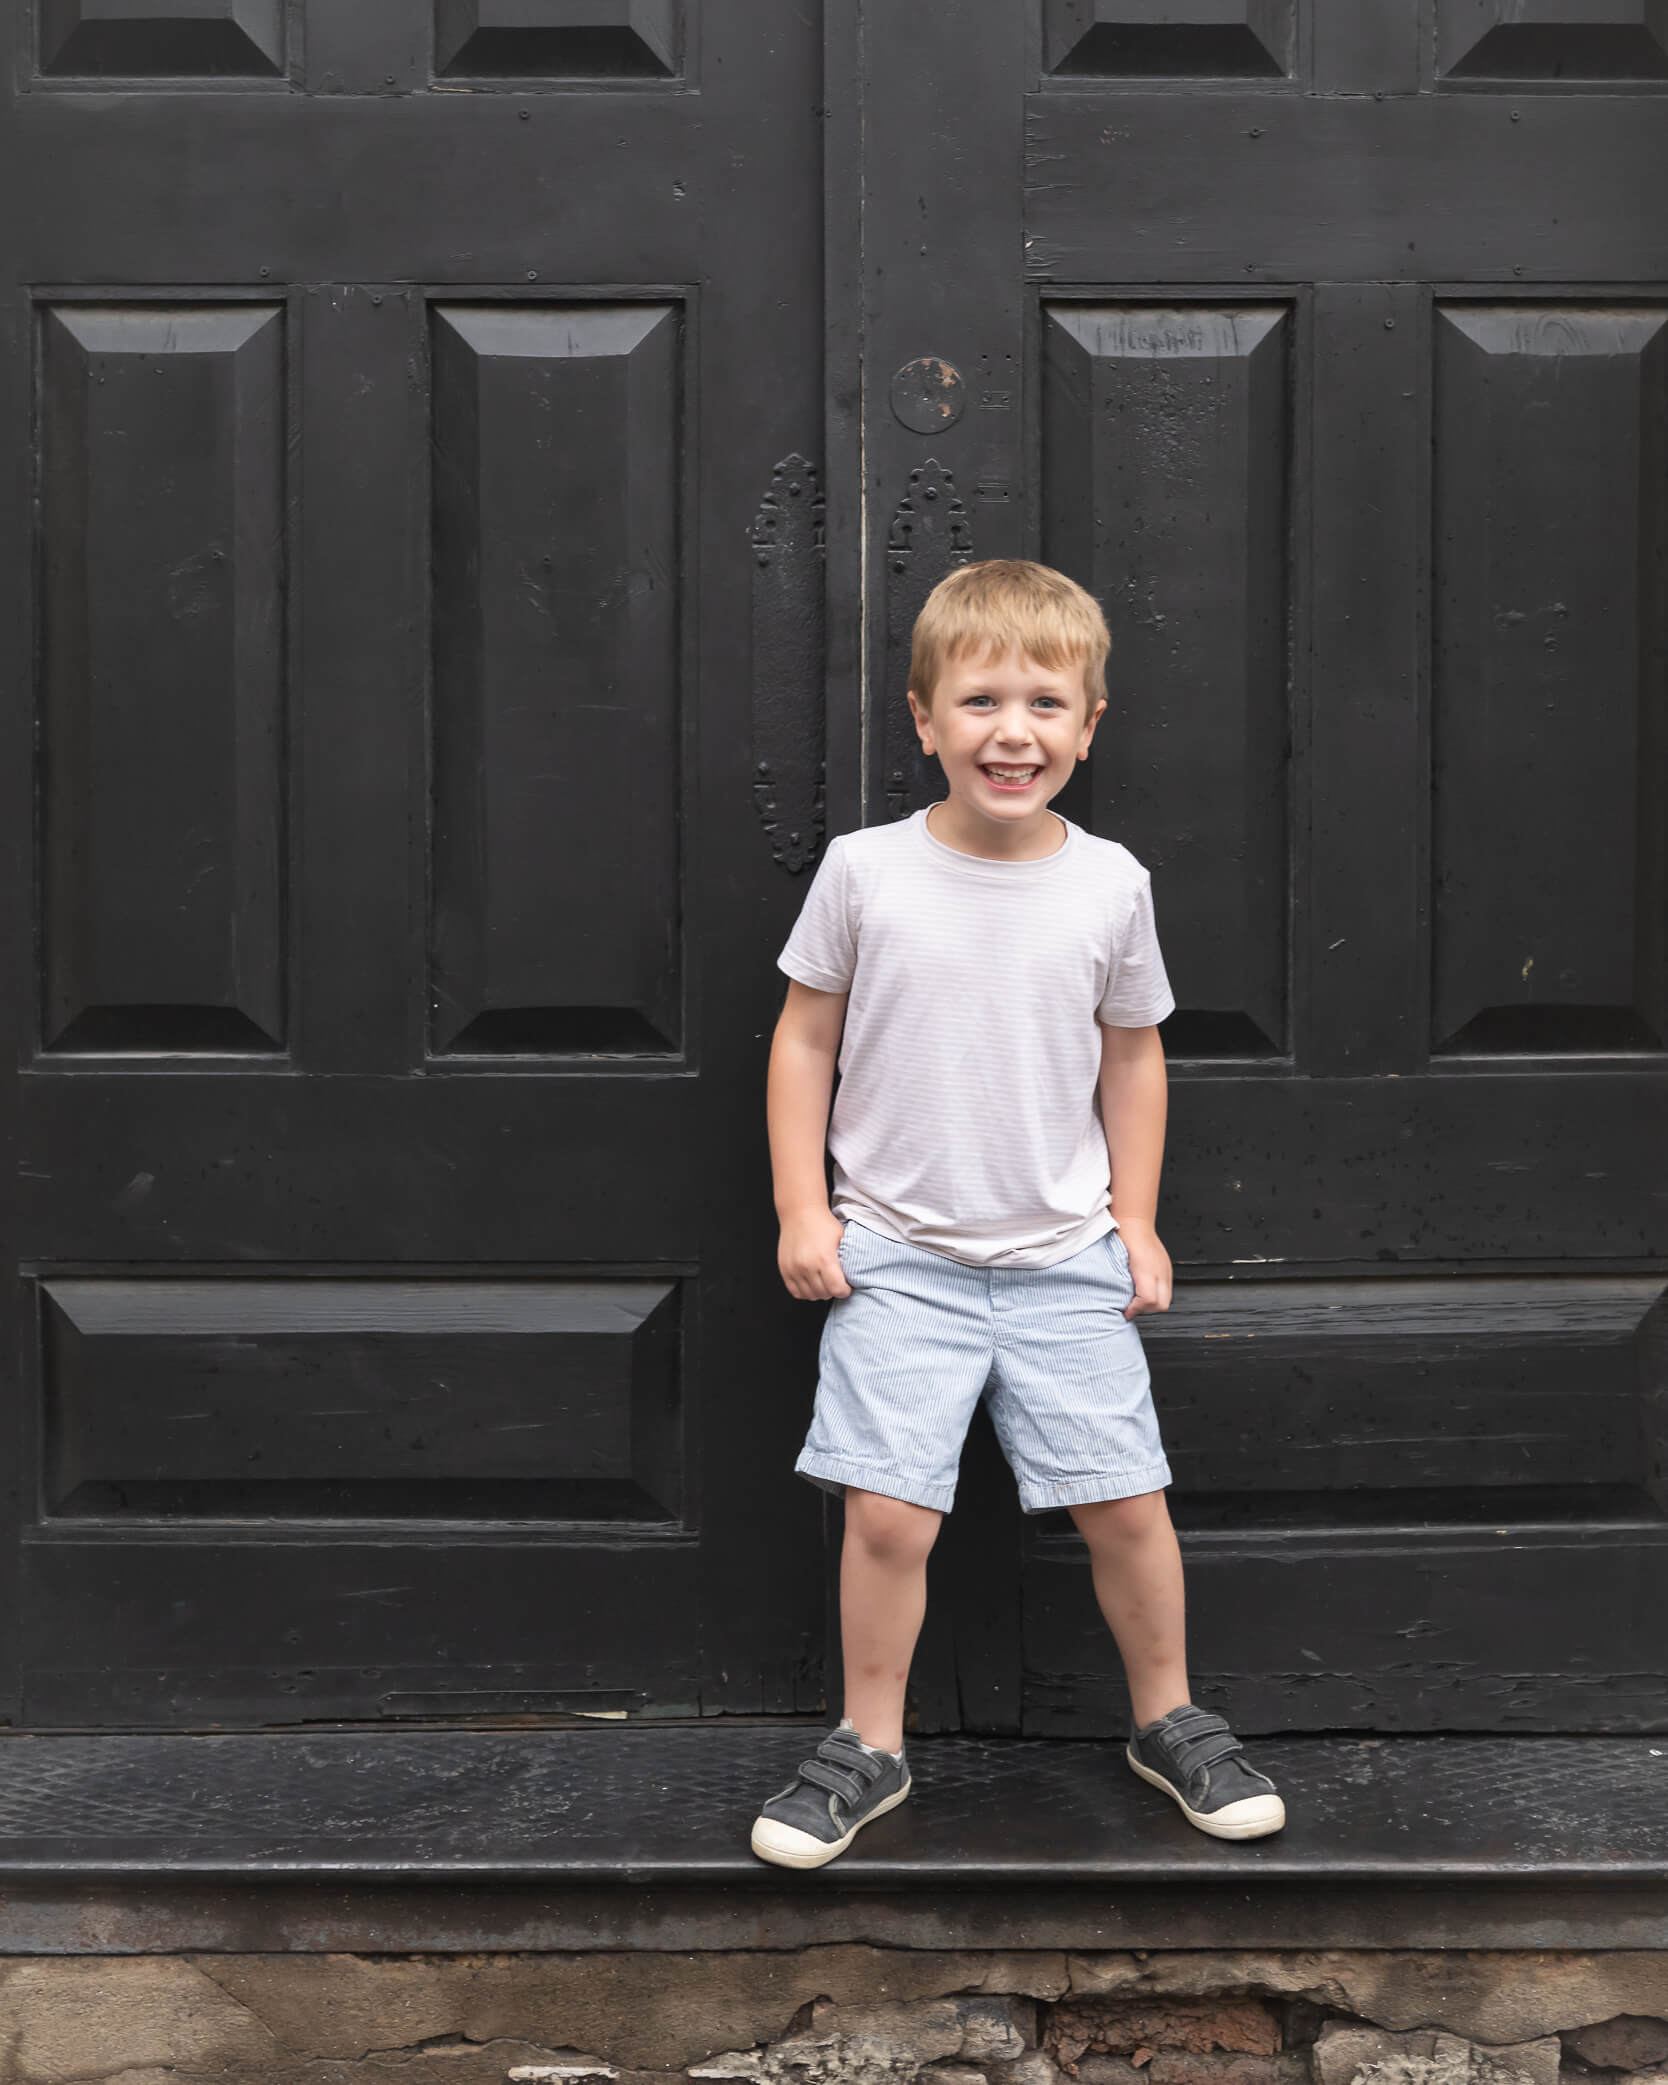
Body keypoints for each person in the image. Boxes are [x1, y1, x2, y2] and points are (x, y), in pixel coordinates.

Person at [748, 559, 1284, 1870]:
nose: (1013, 729)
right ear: (925, 720)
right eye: (980, 698)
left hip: (1061, 1258)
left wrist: (1138, 1220)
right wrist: (801, 1210)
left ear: (1089, 727)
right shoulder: (865, 871)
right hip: (897, 1259)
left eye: (1047, 701)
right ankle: (869, 1742)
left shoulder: (1109, 884)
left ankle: (1169, 1716)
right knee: (886, 1512)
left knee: (1126, 1502)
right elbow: (802, 1040)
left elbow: (1135, 1054)